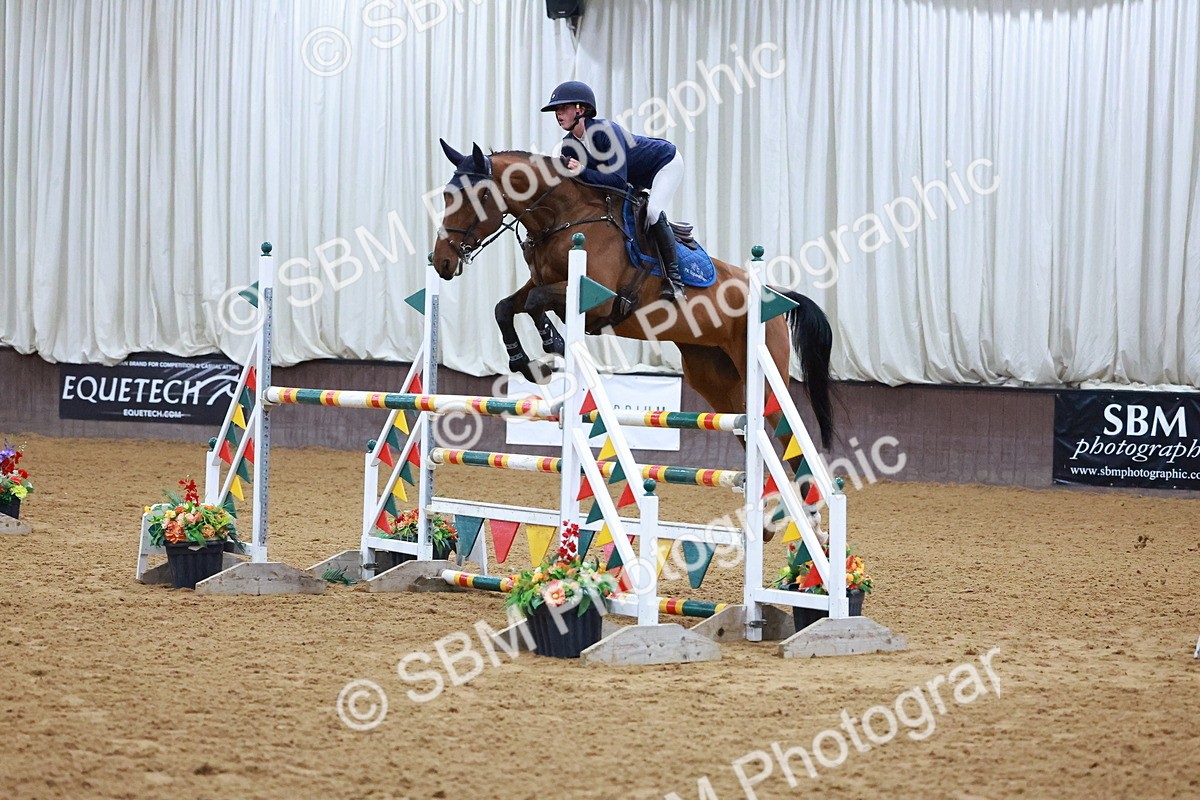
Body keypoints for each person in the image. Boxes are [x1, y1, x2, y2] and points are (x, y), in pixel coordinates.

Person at [541, 81, 687, 302]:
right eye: (556, 110)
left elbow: (617, 182)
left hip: (664, 163)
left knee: (654, 212)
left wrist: (582, 170)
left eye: (563, 108)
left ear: (580, 110)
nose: (558, 114)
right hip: (633, 177)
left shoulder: (606, 131)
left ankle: (675, 281)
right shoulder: (569, 146)